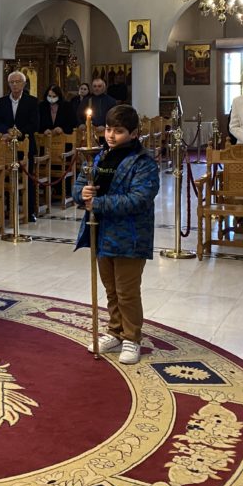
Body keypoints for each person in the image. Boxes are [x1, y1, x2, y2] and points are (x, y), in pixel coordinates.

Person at [73, 104, 160, 365]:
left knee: (127, 291)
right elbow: (81, 182)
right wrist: (82, 193)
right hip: (101, 232)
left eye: (119, 131)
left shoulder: (143, 162)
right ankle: (115, 331)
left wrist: (98, 203)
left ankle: (132, 337)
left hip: (129, 235)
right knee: (110, 288)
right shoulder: (98, 156)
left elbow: (139, 198)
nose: (111, 135)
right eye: (109, 129)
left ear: (133, 133)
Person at [0, 70, 41, 219]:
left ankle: (29, 210)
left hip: (26, 145)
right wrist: (6, 130)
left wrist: (18, 133)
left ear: (24, 83)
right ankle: (8, 209)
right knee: (7, 176)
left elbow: (35, 124)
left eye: (17, 82)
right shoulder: (2, 101)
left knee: (28, 177)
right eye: (12, 82)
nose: (14, 85)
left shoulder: (32, 101)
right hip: (7, 145)